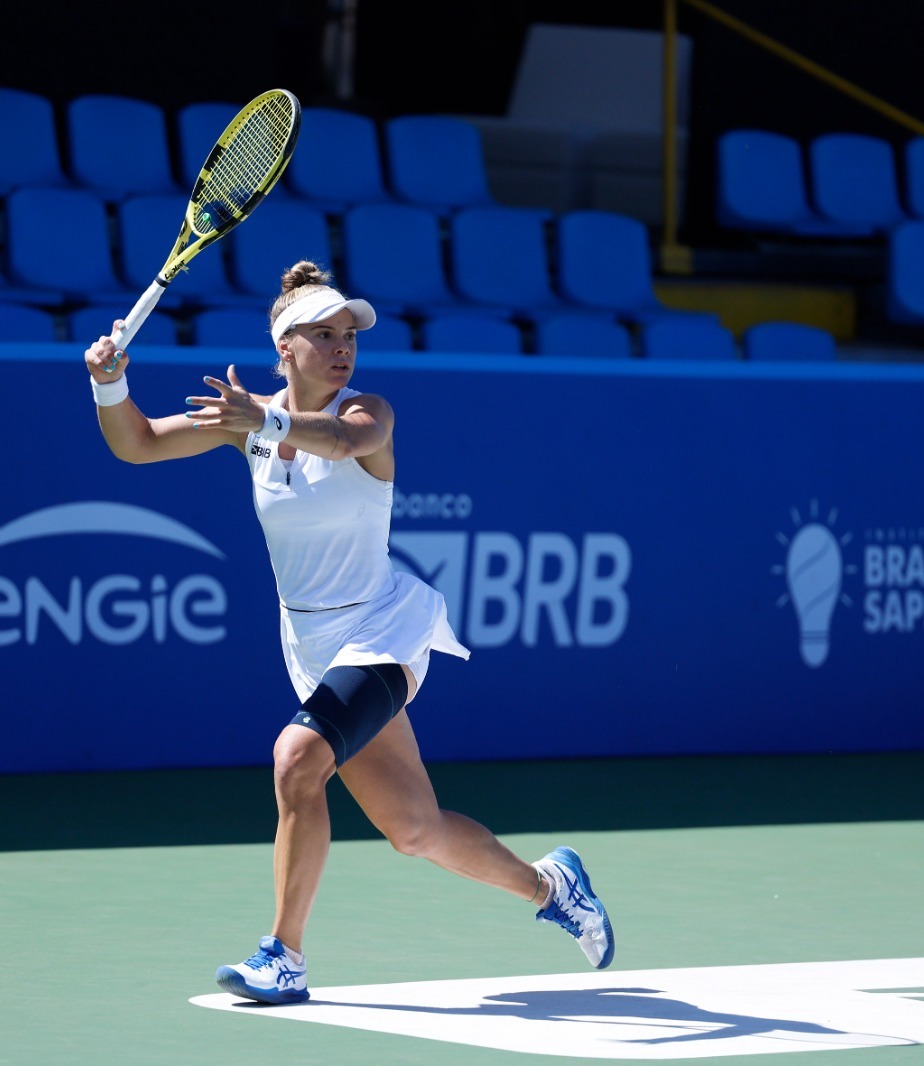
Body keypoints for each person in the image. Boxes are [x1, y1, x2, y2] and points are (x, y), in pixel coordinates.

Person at [83, 261, 613, 1004]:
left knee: (297, 759)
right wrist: (110, 382)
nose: (343, 347)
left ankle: (283, 957)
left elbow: (337, 439)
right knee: (415, 830)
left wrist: (261, 420)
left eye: (349, 335)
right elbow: (135, 443)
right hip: (311, 649)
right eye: (323, 334)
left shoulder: (369, 414)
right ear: (283, 348)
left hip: (384, 631)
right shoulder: (250, 424)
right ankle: (552, 887)